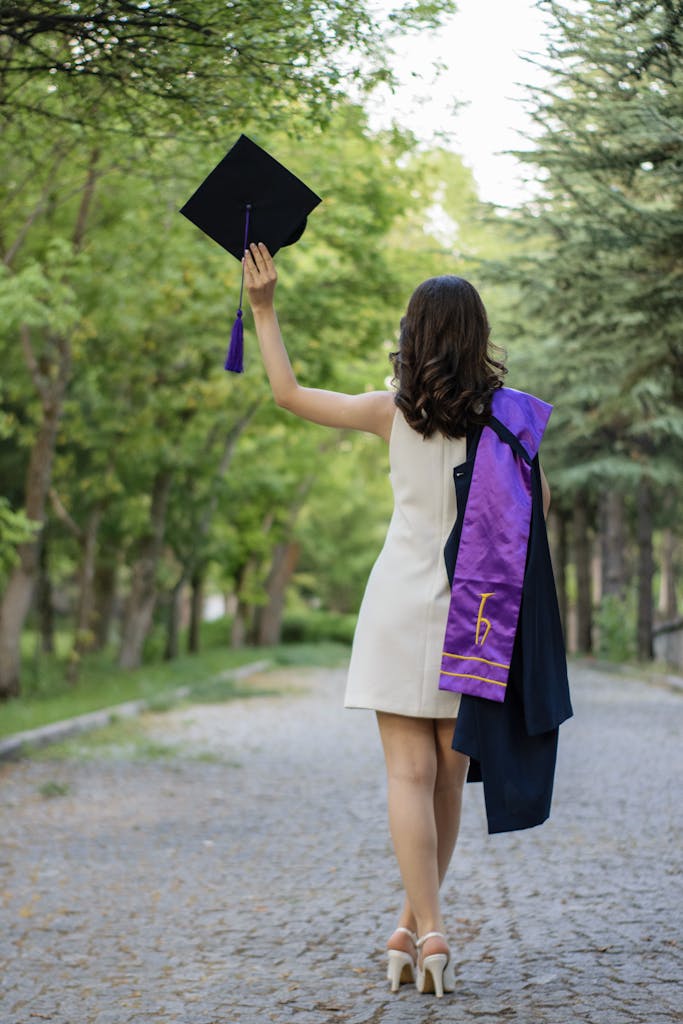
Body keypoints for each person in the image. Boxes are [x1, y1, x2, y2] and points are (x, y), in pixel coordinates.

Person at [243, 241, 551, 998]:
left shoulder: (390, 413)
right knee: (445, 782)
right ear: (477, 338)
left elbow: (286, 393)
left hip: (394, 606)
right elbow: (529, 535)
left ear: (413, 336)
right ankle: (421, 926)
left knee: (403, 776)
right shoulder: (509, 426)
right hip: (470, 619)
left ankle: (421, 926)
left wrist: (264, 307)